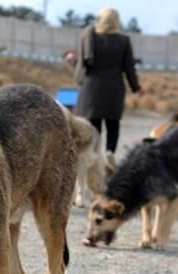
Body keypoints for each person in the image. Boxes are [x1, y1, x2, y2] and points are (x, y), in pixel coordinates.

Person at [74, 8, 141, 165]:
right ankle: (110, 152)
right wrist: (135, 87)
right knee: (113, 124)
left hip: (92, 89)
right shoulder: (124, 40)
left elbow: (83, 63)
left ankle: (95, 156)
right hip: (114, 89)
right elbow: (129, 68)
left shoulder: (90, 37)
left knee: (94, 126)